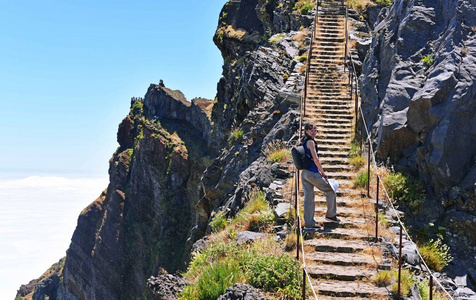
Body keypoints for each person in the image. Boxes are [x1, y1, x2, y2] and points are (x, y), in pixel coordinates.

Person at [301, 123, 339, 230]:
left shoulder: (303, 141)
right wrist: (322, 172)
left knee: (309, 198)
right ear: (306, 131)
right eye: (311, 130)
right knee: (330, 190)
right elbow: (316, 159)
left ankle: (309, 224)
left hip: (304, 173)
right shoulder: (311, 142)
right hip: (312, 172)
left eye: (315, 130)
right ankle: (331, 215)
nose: (313, 132)